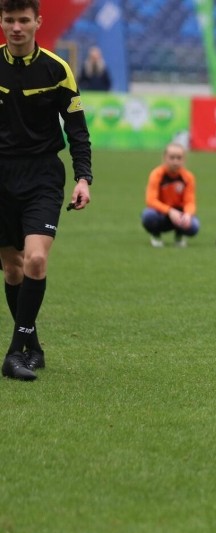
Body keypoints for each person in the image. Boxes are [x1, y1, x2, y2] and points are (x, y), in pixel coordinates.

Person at [0, 0, 92, 381]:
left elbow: (77, 129)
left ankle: (12, 353)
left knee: (35, 260)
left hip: (42, 176)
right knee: (12, 268)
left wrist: (83, 177)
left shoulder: (58, 68)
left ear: (38, 22)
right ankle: (31, 346)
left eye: (24, 20)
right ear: (2, 22)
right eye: (10, 20)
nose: (17, 27)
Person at [141, 143, 200, 248]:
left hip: (179, 214)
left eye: (179, 158)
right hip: (161, 214)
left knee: (194, 225)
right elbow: (151, 200)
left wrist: (187, 214)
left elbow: (190, 201)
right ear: (165, 158)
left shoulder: (188, 177)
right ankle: (155, 235)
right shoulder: (156, 174)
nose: (175, 161)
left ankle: (180, 235)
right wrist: (170, 211)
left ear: (184, 160)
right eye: (172, 158)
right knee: (148, 216)